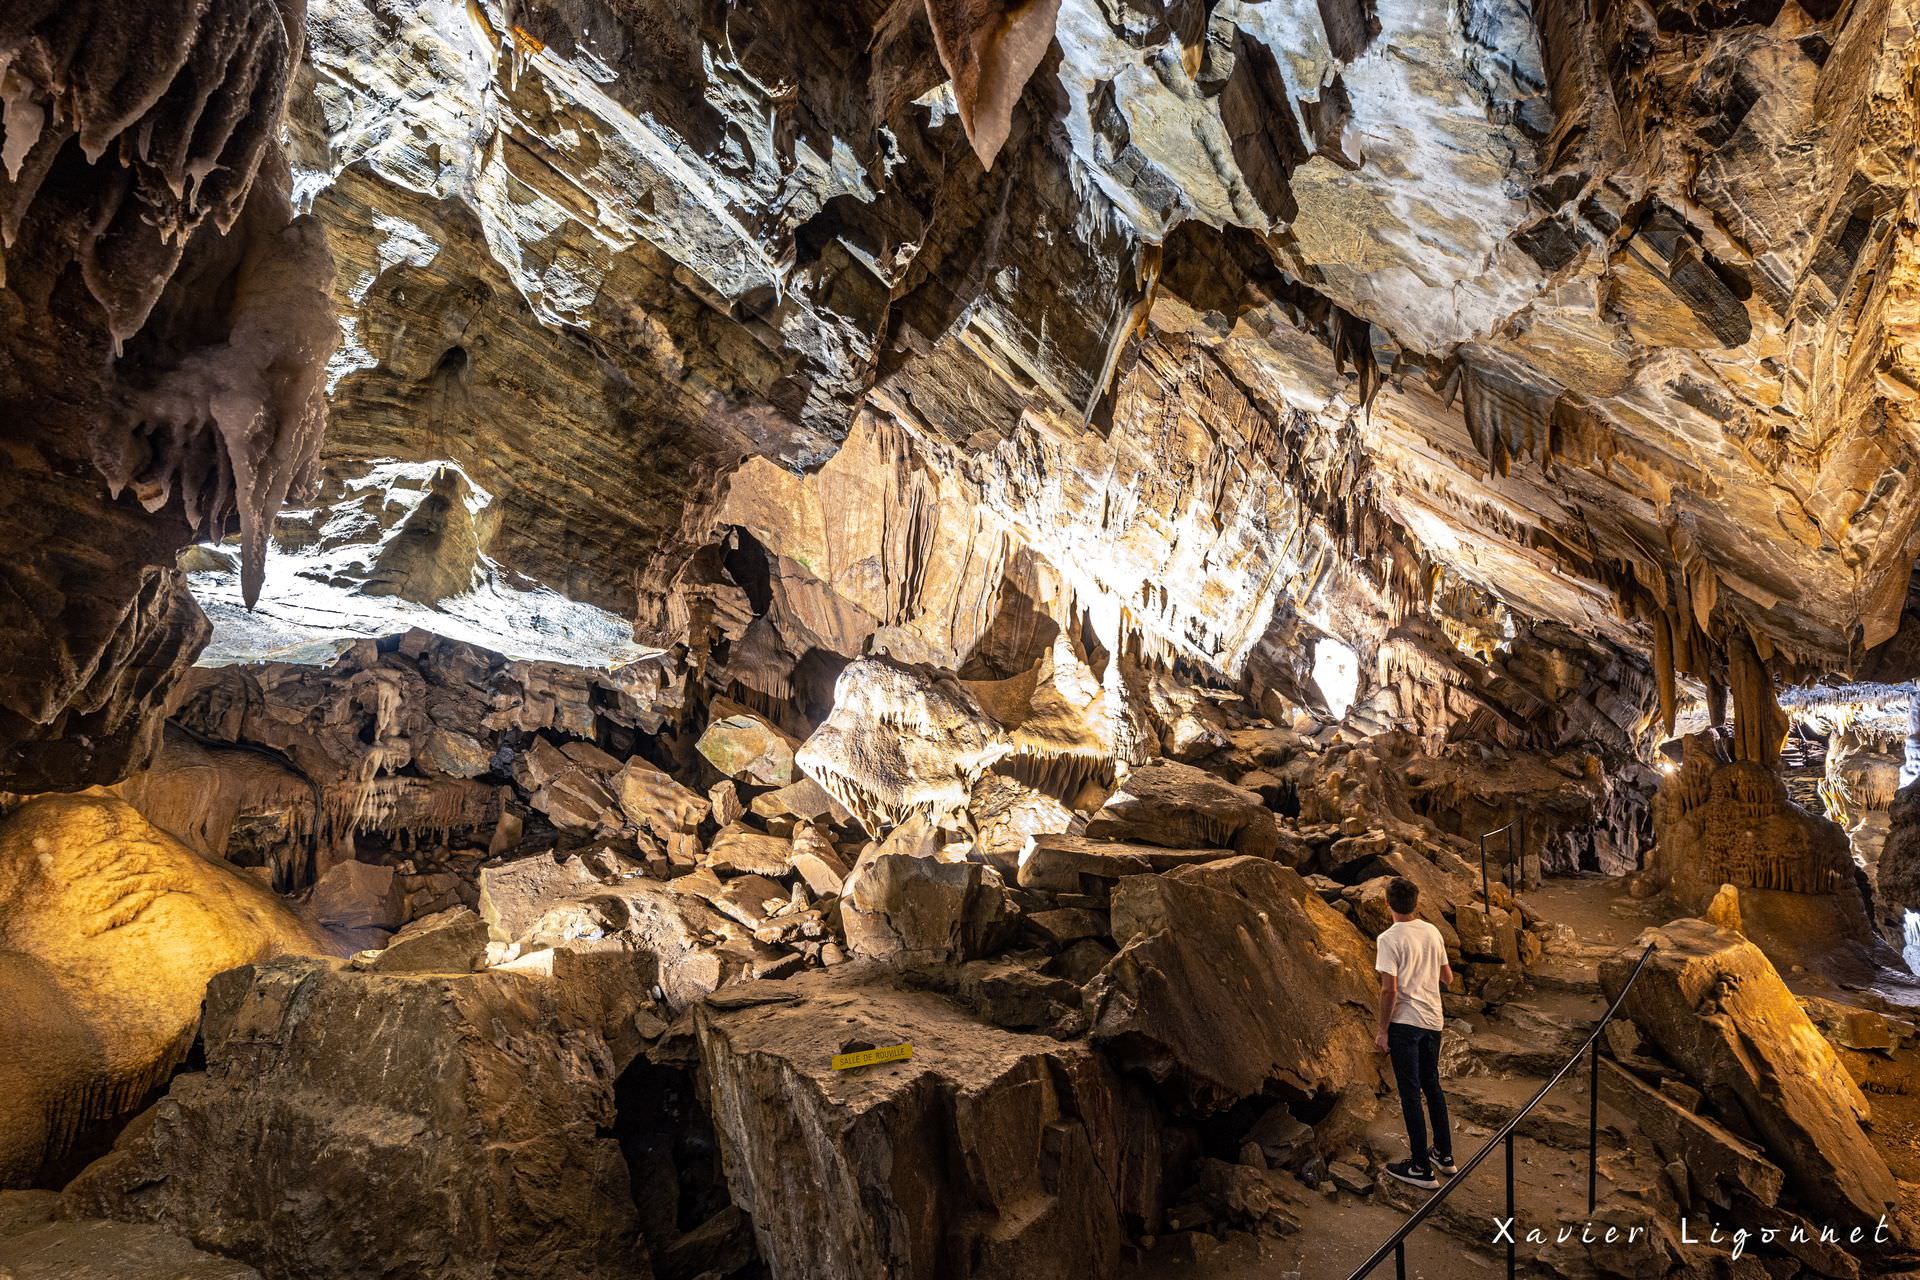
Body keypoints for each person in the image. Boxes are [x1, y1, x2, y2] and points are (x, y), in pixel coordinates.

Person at [1374, 876, 1454, 1190]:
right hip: (1434, 1021)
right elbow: (1447, 978)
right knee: (1432, 1086)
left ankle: (1421, 1167)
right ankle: (1444, 1155)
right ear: (1417, 904)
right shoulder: (1432, 931)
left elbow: (1388, 991)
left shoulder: (1388, 939)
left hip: (1405, 1024)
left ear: (1387, 905)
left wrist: (1382, 1031)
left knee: (1410, 1095)